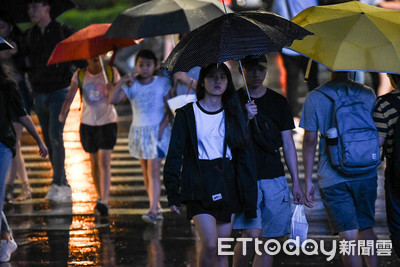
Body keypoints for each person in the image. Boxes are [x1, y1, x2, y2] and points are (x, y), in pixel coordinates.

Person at [163, 63, 257, 267]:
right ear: (202, 81)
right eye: (213, 77)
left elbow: (242, 149)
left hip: (227, 183)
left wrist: (246, 119)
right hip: (198, 185)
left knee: (222, 249)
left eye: (223, 77)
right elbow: (175, 154)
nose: (218, 81)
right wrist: (173, 191)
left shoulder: (234, 112)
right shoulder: (187, 114)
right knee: (211, 246)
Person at [232, 55, 306, 267]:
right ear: (241, 71)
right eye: (251, 69)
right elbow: (228, 140)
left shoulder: (278, 102)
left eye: (261, 69)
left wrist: (296, 183)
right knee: (251, 234)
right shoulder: (234, 102)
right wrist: (245, 117)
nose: (257, 74)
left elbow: (288, 143)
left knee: (269, 241)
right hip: (246, 177)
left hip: (274, 177)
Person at [300, 71, 379, 267]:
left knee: (348, 238)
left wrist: (308, 180)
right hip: (366, 171)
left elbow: (309, 141)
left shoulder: (315, 97)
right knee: (366, 228)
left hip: (333, 175)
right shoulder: (367, 94)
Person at [109, 49, 172, 224]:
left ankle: (153, 211)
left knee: (153, 172)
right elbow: (111, 100)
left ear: (155, 66)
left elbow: (171, 108)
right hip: (139, 131)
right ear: (136, 66)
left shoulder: (162, 83)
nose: (144, 68)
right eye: (141, 65)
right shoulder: (132, 84)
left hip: (157, 132)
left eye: (148, 65)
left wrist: (162, 128)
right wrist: (122, 81)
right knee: (146, 172)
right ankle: (155, 204)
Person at [23, 0, 79, 202]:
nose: (31, 11)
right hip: (39, 92)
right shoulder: (30, 35)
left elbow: (78, 59)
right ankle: (62, 181)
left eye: (34, 6)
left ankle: (57, 183)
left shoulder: (63, 31)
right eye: (29, 8)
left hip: (60, 92)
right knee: (48, 139)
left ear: (46, 8)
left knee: (56, 135)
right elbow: (25, 63)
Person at [59, 56, 121, 216]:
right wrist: (63, 112)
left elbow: (121, 97)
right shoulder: (79, 74)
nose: (95, 57)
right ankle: (100, 196)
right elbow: (70, 95)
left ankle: (104, 201)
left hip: (108, 122)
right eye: (91, 54)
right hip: (87, 123)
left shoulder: (111, 72)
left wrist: (112, 90)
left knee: (104, 162)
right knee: (93, 163)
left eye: (98, 53)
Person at [0, 63, 48, 262]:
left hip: (2, 144)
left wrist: (39, 141)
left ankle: (6, 239)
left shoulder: (6, 86)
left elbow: (22, 114)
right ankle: (6, 238)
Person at [0, 15, 33, 202]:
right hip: (4, 96)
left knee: (13, 143)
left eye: (2, 26)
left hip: (17, 94)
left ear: (10, 26)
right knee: (14, 144)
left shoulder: (17, 43)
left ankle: (10, 186)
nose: (0, 29)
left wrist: (18, 54)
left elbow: (26, 68)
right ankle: (25, 186)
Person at [272, 0, 319, 118]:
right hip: (309, 44)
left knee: (292, 82)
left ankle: (293, 115)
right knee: (312, 80)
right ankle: (317, 111)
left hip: (289, 45)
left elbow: (275, 13)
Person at [373, 73, 400, 258]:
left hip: (397, 170)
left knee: (398, 221)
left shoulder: (384, 103)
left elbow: (378, 142)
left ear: (391, 78)